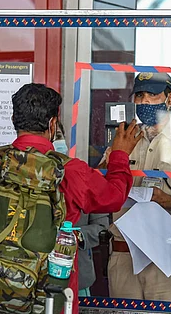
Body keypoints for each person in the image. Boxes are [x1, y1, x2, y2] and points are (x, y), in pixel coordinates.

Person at [0, 83, 142, 313]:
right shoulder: (71, 171)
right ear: (52, 123)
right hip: (51, 301)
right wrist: (119, 156)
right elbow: (113, 198)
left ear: (14, 119)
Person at [99, 72, 171, 301]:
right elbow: (98, 192)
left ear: (169, 99)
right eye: (140, 95)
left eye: (153, 94)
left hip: (165, 261)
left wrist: (167, 201)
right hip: (123, 258)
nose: (145, 101)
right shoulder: (124, 139)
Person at [54, 121, 110, 297]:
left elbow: (101, 227)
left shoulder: (84, 177)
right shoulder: (24, 179)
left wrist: (67, 237)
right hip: (34, 279)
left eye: (59, 137)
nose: (56, 142)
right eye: (52, 137)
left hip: (78, 280)